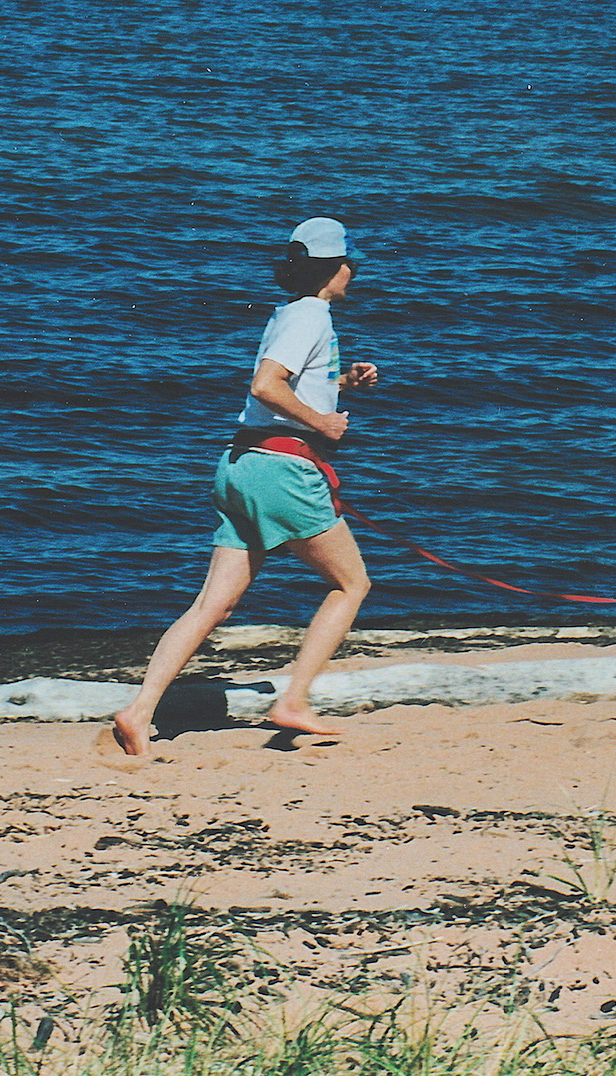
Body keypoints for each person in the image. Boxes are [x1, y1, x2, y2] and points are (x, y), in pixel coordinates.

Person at [113, 217, 379, 756]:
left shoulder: (292, 314)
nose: (355, 272)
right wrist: (325, 424)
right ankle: (294, 702)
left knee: (213, 605)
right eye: (351, 263)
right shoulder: (313, 317)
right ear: (334, 269)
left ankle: (139, 712)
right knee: (351, 585)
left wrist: (341, 384)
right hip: (283, 469)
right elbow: (265, 384)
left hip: (242, 465)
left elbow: (280, 387)